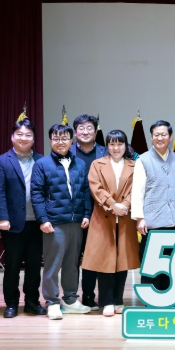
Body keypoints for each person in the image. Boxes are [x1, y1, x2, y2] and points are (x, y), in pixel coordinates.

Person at [31, 124, 92, 320]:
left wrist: (86, 214)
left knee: (72, 264)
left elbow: (84, 192)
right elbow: (37, 194)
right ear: (50, 141)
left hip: (76, 222)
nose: (60, 142)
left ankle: (71, 299)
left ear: (71, 141)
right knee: (52, 264)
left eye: (64, 138)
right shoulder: (42, 164)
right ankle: (52, 302)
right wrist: (42, 219)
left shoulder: (80, 164)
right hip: (54, 222)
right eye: (56, 138)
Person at [0, 119, 47, 318]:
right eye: (20, 134)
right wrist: (2, 218)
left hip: (37, 224)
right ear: (12, 137)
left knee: (34, 266)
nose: (24, 138)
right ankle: (12, 303)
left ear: (34, 138)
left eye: (28, 135)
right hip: (13, 223)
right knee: (12, 266)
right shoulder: (1, 161)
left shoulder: (41, 160)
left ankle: (32, 301)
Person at [82, 130, 140, 317]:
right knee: (105, 260)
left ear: (126, 145)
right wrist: (112, 204)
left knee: (122, 261)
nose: (116, 148)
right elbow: (95, 187)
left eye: (120, 144)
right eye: (112, 144)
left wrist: (125, 205)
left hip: (124, 218)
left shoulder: (134, 165)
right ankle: (106, 301)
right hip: (103, 218)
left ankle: (118, 300)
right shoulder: (97, 164)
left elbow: (137, 189)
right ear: (107, 146)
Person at [132, 120, 175, 291]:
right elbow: (137, 191)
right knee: (152, 265)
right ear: (151, 137)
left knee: (172, 264)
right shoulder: (143, 160)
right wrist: (140, 218)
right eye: (156, 135)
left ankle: (171, 298)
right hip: (152, 222)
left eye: (163, 135)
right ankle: (151, 301)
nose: (160, 138)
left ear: (170, 137)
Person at [70, 114, 108, 311]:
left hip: (101, 214)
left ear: (96, 131)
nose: (85, 132)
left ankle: (90, 295)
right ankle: (71, 297)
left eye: (89, 128)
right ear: (75, 132)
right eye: (81, 128)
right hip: (74, 214)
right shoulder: (65, 151)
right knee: (73, 257)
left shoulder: (106, 152)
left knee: (96, 256)